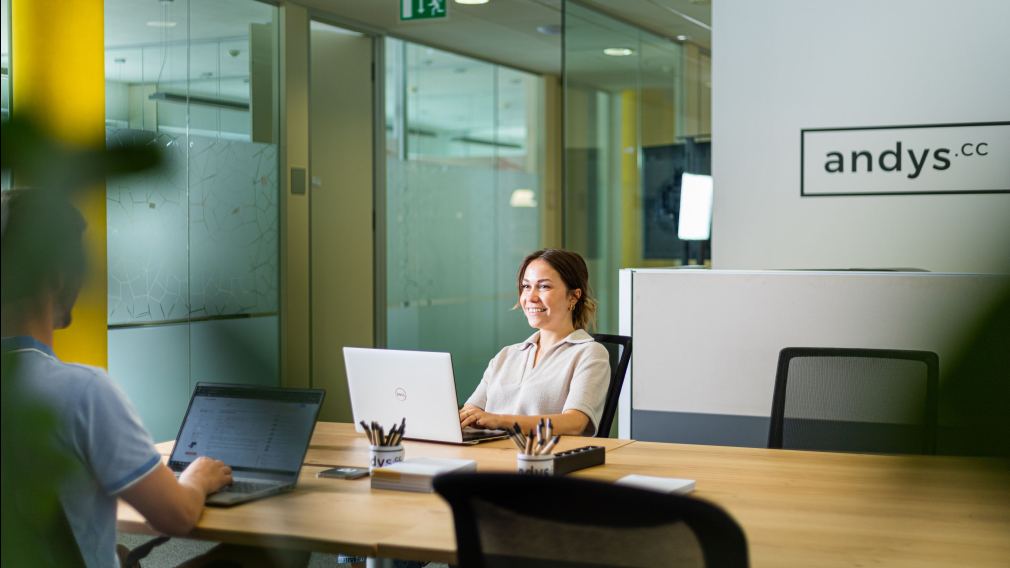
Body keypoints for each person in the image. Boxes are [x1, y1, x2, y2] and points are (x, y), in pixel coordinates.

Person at [1, 189, 233, 568]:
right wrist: (198, 478)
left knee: (122, 554)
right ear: (60, 279)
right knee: (265, 553)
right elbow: (176, 516)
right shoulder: (83, 392)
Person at [460, 249, 611, 436]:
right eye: (526, 286)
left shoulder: (590, 353)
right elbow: (469, 413)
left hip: (544, 460)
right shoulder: (507, 355)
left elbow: (575, 422)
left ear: (573, 296)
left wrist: (500, 420)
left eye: (544, 287)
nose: (530, 297)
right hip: (490, 454)